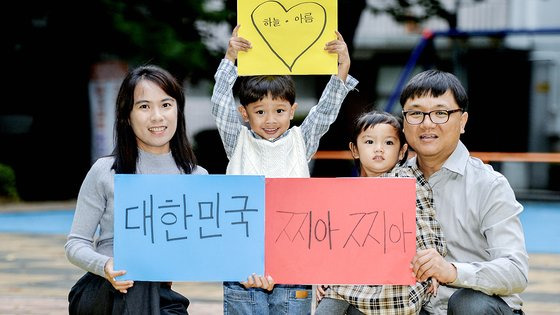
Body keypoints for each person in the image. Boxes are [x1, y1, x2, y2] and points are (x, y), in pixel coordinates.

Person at [211, 25, 358, 314]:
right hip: (245, 264)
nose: (270, 120)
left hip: (295, 263)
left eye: (279, 111)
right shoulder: (236, 139)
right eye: (260, 111)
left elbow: (326, 111)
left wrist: (342, 67)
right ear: (245, 113)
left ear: (292, 110)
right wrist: (230, 58)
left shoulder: (300, 140)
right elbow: (219, 104)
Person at [65, 64, 208, 314]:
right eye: (144, 106)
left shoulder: (196, 178)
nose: (157, 116)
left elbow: (206, 249)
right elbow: (76, 244)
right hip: (103, 292)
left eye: (166, 104)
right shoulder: (106, 171)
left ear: (178, 110)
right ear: (127, 116)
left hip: (159, 297)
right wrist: (107, 265)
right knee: (135, 268)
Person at [400, 70, 529, 314]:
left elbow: (516, 271)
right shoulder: (391, 182)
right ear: (404, 122)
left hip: (479, 307)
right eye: (416, 113)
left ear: (462, 122)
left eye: (441, 113)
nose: (427, 123)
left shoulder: (489, 185)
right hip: (417, 307)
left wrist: (453, 272)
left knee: (468, 304)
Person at [315, 111, 447, 314]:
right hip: (352, 275)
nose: (378, 149)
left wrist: (431, 267)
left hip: (396, 275)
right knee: (327, 302)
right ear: (355, 149)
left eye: (388, 143)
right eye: (369, 142)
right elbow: (333, 240)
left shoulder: (406, 181)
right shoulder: (346, 193)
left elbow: (424, 225)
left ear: (402, 151)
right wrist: (324, 272)